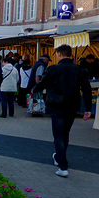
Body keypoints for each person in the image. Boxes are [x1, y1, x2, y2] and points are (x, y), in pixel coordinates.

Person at [32, 44, 92, 178]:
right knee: (65, 134)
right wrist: (87, 108)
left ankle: (62, 165)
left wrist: (35, 89)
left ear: (59, 54)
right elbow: (86, 90)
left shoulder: (53, 69)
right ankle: (60, 157)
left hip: (57, 105)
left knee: (58, 135)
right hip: (72, 106)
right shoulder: (79, 70)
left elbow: (42, 84)